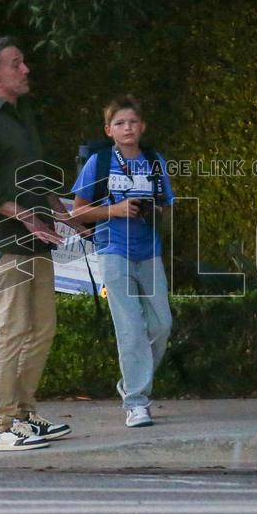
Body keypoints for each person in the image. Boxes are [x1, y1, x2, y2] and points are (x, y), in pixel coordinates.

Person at [0, 36, 82, 451]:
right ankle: (3, 425)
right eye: (16, 63)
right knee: (12, 328)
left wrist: (65, 215)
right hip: (6, 240)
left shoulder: (20, 115)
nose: (26, 69)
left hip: (39, 238)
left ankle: (26, 415)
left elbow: (38, 178)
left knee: (42, 327)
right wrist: (25, 217)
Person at [70, 95, 174, 428]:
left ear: (142, 127)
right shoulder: (98, 163)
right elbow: (78, 211)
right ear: (109, 129)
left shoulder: (155, 161)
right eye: (119, 123)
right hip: (113, 249)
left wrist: (155, 211)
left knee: (161, 324)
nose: (127, 128)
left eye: (132, 122)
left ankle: (131, 384)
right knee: (130, 328)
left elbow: (168, 206)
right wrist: (114, 210)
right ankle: (136, 402)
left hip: (149, 250)